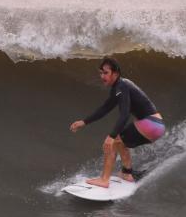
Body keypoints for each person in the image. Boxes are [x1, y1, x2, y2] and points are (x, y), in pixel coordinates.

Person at [69, 57, 166, 187]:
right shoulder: (119, 88)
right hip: (156, 126)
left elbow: (125, 114)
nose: (102, 76)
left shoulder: (122, 86)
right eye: (101, 72)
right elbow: (105, 108)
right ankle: (127, 172)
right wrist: (84, 122)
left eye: (105, 73)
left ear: (115, 74)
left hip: (150, 123)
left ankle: (104, 180)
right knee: (120, 143)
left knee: (114, 142)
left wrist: (111, 136)